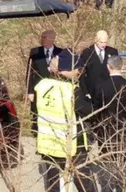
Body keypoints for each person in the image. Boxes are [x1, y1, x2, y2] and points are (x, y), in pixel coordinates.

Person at [34, 64, 96, 192]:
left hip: (49, 142)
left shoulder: (43, 86)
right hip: (71, 143)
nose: (78, 73)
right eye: (76, 70)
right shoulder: (71, 90)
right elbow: (88, 111)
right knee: (84, 181)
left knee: (53, 183)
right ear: (66, 71)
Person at [93, 55, 126, 192]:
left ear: (108, 67)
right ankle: (119, 187)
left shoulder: (101, 86)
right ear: (122, 67)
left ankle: (106, 188)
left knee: (106, 162)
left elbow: (96, 109)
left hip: (105, 129)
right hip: (124, 129)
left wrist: (96, 126)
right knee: (121, 162)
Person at [25, 30, 62, 134]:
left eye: (45, 37)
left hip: (54, 89)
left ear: (52, 39)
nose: (42, 39)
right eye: (42, 37)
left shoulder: (60, 52)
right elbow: (30, 72)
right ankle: (37, 132)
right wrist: (30, 91)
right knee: (37, 111)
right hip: (38, 88)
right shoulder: (35, 52)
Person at [76, 30, 119, 100]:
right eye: (101, 42)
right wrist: (85, 92)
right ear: (95, 40)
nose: (103, 45)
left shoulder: (113, 52)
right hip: (92, 92)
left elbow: (116, 71)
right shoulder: (87, 53)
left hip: (108, 92)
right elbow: (81, 74)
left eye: (105, 42)